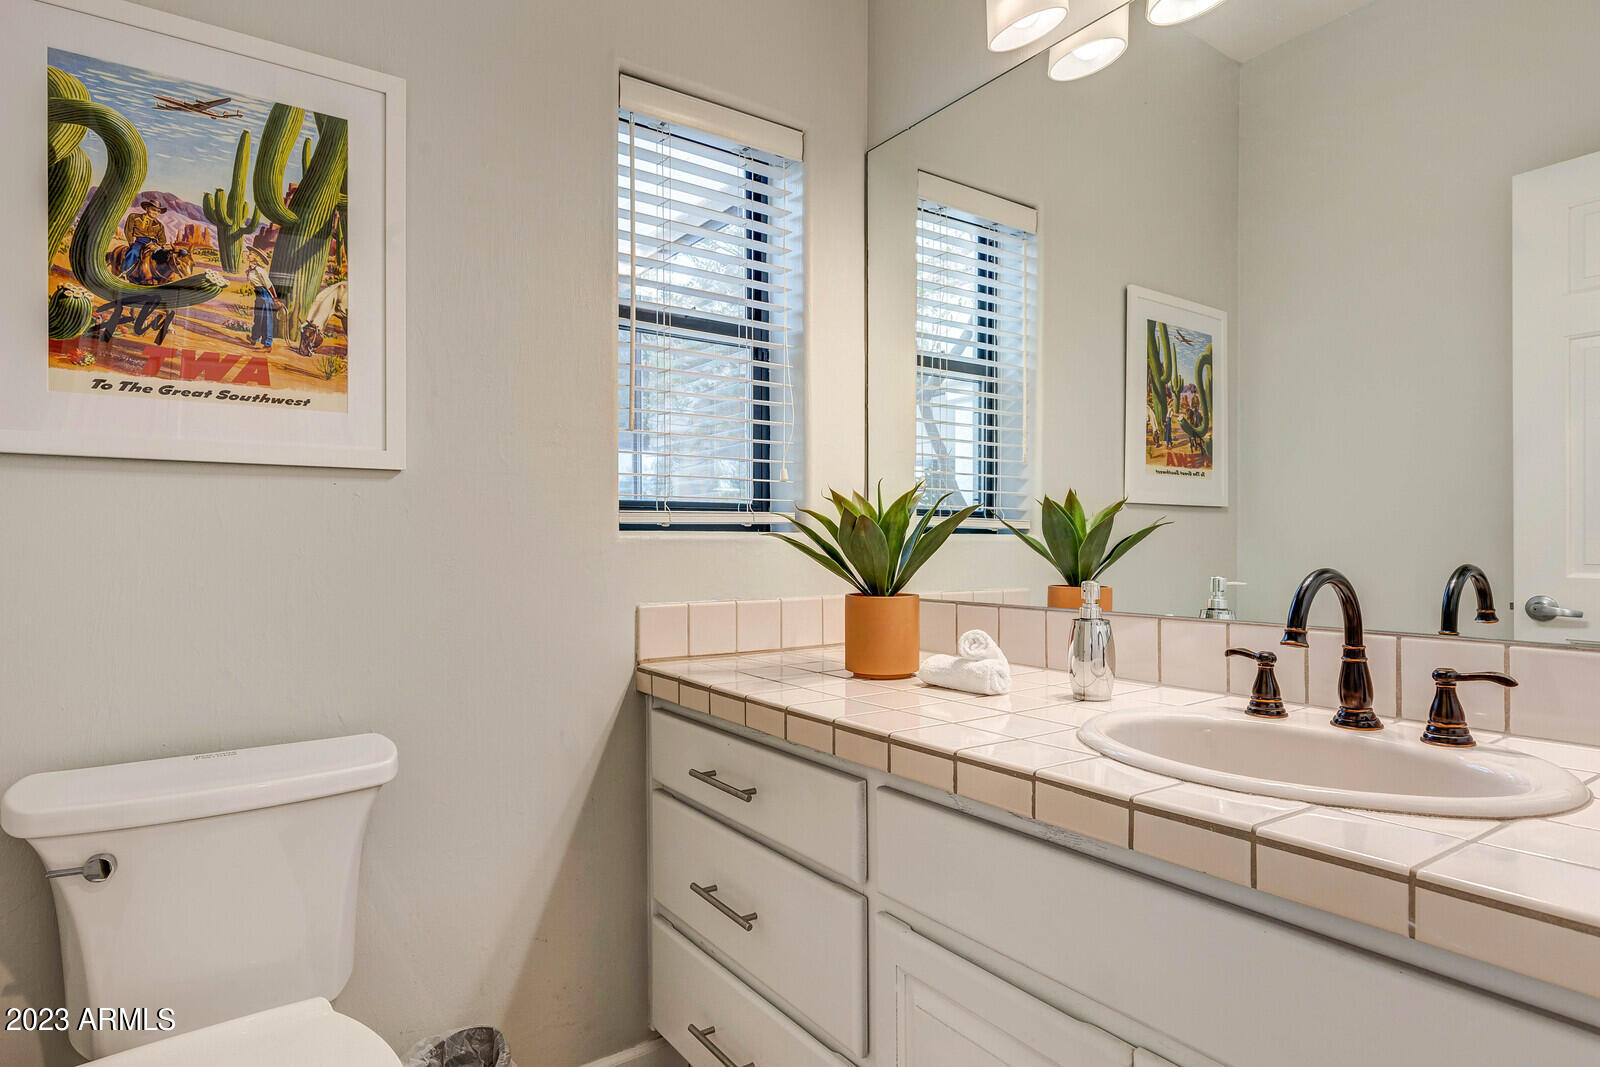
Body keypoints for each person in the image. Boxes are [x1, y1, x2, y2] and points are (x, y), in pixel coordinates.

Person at [120, 200, 167, 276]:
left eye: (158, 211)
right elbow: (128, 231)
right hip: (139, 242)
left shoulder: (160, 225)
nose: (156, 212)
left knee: (164, 257)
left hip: (154, 244)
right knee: (133, 252)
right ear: (147, 208)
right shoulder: (134, 217)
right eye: (153, 210)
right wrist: (131, 243)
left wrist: (156, 246)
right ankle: (125, 274)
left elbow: (163, 240)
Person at [245, 247, 279, 349]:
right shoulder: (251, 270)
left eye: (251, 254)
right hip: (259, 295)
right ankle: (254, 338)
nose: (248, 255)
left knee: (266, 320)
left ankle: (267, 345)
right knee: (258, 318)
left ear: (256, 257)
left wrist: (275, 299)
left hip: (265, 296)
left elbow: (269, 286)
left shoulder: (260, 270)